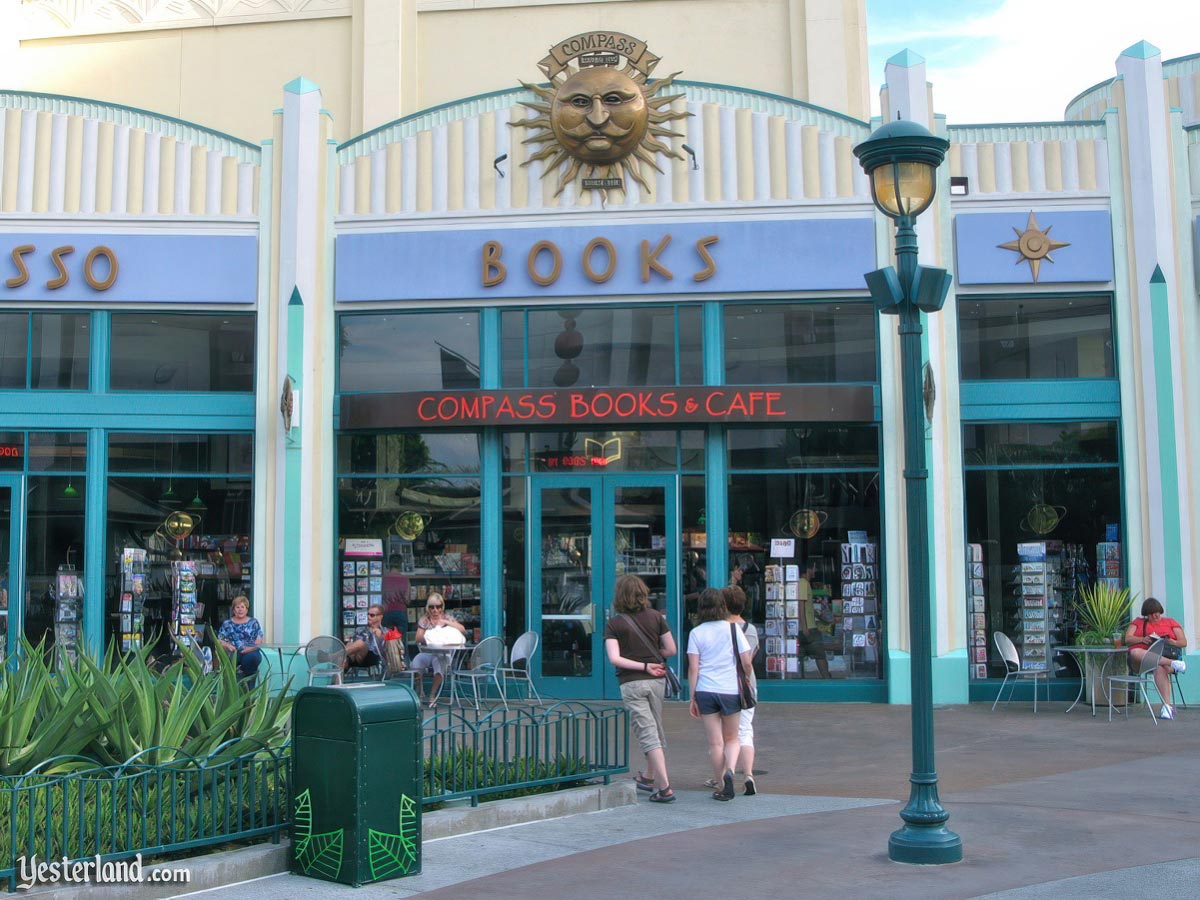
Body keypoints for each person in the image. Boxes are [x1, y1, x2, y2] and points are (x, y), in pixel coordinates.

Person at [604, 574, 677, 804]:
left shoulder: (614, 624)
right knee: (654, 728)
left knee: (647, 733)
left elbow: (615, 658)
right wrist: (653, 660)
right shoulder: (657, 617)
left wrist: (642, 665)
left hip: (631, 682)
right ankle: (647, 777)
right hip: (657, 681)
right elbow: (671, 649)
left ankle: (665, 788)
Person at [688, 588, 753, 801]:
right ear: (722, 606)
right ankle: (731, 770)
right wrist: (746, 678)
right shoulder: (734, 630)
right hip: (730, 690)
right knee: (732, 738)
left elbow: (693, 668)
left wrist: (692, 697)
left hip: (705, 690)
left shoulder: (696, 633)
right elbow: (746, 661)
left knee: (715, 743)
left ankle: (721, 784)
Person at [1124, 597, 1187, 719]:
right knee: (1135, 652)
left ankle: (1167, 708)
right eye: (1152, 613)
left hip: (1163, 658)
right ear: (1146, 615)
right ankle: (1173, 663)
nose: (1156, 615)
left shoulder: (1170, 622)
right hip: (1142, 660)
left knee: (1159, 666)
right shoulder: (1138, 622)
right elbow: (1127, 639)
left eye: (1157, 612)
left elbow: (1183, 642)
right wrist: (1142, 639)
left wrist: (1171, 642)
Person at [723, 584, 759, 795]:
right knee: (745, 731)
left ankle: (725, 772)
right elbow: (749, 659)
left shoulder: (719, 629)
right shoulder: (750, 630)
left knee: (725, 735)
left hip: (725, 684)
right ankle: (748, 775)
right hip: (746, 685)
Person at [410, 593, 467, 707]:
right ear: (428, 607)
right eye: (432, 607)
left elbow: (462, 629)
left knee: (439, 663)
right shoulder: (425, 620)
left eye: (438, 606)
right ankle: (420, 690)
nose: (435, 610)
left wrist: (446, 623)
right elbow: (418, 638)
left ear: (442, 606)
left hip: (443, 653)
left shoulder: (447, 618)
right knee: (417, 661)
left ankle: (432, 695)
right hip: (428, 652)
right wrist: (432, 636)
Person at [217, 594, 263, 681]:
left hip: (250, 651)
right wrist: (228, 646)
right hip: (233, 652)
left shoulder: (254, 622)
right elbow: (220, 640)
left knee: (251, 659)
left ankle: (249, 689)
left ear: (247, 609)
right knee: (230, 662)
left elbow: (259, 640)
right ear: (234, 610)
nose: (240, 609)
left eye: (243, 607)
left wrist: (249, 649)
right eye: (238, 607)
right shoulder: (227, 624)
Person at [797, 561, 831, 678]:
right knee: (820, 654)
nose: (815, 571)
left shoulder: (805, 583)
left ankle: (801, 680)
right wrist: (805, 627)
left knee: (800, 656)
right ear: (808, 569)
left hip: (807, 626)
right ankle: (826, 678)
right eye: (814, 568)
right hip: (808, 628)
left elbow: (808, 607)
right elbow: (801, 605)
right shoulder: (803, 583)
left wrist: (821, 618)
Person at [346, 604, 386, 671]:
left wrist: (380, 637)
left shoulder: (384, 631)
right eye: (368, 614)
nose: (368, 617)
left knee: (360, 643)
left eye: (372, 615)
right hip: (355, 657)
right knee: (343, 658)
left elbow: (385, 649)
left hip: (372, 657)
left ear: (380, 617)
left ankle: (332, 656)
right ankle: (338, 681)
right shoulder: (360, 629)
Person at [381, 558, 410, 633]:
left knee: (387, 640)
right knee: (401, 640)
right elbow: (407, 600)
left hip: (387, 612)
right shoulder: (405, 579)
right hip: (401, 612)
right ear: (401, 565)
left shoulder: (384, 578)